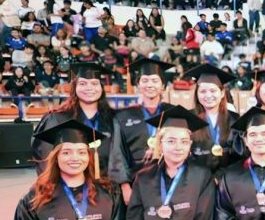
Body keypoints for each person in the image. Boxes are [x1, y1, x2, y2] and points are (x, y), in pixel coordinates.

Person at [31, 61, 116, 174]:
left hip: (109, 182)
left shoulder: (114, 119)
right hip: (70, 182)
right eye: (82, 83)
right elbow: (44, 155)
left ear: (101, 88)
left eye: (95, 83)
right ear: (74, 87)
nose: (89, 88)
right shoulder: (57, 119)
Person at [109, 57, 170, 203]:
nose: (150, 85)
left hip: (170, 181)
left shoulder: (173, 113)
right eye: (145, 80)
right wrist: (125, 186)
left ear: (163, 86)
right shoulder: (123, 116)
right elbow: (118, 152)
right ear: (138, 85)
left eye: (155, 81)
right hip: (135, 183)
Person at [181, 62, 239, 174]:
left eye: (213, 91)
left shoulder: (234, 119)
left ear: (222, 93)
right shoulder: (187, 118)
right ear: (197, 94)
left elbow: (239, 156)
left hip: (229, 178)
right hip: (197, 178)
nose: (208, 96)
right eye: (203, 91)